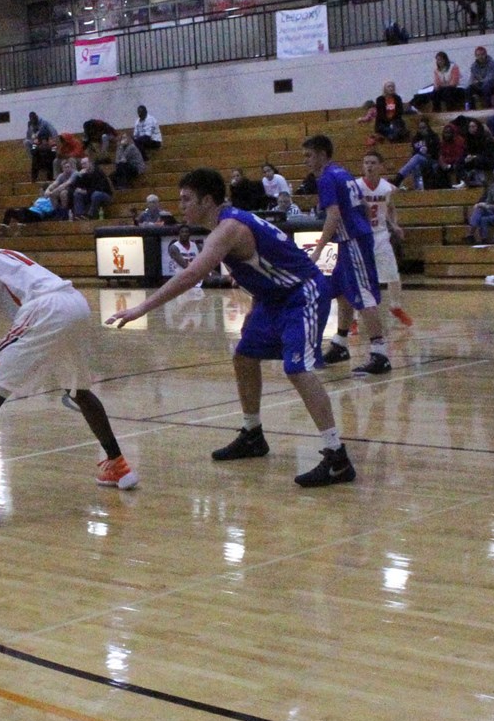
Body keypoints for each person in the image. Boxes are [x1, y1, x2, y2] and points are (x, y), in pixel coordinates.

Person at [106, 169, 357, 488]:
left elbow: (189, 276)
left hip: (302, 294)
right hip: (273, 298)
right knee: (244, 356)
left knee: (297, 369)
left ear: (207, 201)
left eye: (186, 200)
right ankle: (253, 434)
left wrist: (141, 307)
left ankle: (337, 457)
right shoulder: (228, 223)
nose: (181, 207)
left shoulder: (228, 229)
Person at [0, 248, 131, 527]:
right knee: (79, 391)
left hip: (46, 310)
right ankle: (118, 466)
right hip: (75, 304)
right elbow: (33, 323)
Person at [305, 135, 391, 376]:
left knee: (363, 295)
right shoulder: (343, 173)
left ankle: (380, 353)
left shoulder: (326, 178)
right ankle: (341, 344)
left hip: (352, 240)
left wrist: (319, 248)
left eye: (309, 155)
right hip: (354, 238)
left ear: (322, 155)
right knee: (343, 290)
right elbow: (363, 204)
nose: (306, 161)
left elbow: (333, 215)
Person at [357, 151, 411, 326]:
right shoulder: (356, 186)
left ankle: (395, 307)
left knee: (393, 274)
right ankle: (353, 319)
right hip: (360, 237)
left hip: (380, 235)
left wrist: (394, 225)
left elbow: (391, 208)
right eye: (366, 163)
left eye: (372, 162)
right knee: (358, 278)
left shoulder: (387, 187)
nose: (369, 166)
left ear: (380, 166)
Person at [396, 116, 440, 191]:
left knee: (417, 158)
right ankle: (418, 188)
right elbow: (414, 151)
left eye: (424, 128)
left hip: (432, 160)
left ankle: (399, 178)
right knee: (416, 164)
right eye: (420, 128)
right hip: (421, 160)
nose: (422, 130)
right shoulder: (416, 139)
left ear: (428, 128)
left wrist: (427, 137)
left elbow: (435, 152)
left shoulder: (434, 137)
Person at [25, 112, 58, 180]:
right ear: (40, 139)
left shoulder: (52, 144)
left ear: (47, 138)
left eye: (45, 139)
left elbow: (54, 154)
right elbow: (33, 152)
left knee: (52, 161)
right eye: (42, 139)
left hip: (48, 162)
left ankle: (50, 177)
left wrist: (48, 149)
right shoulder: (36, 143)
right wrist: (37, 147)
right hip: (40, 162)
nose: (44, 141)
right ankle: (34, 178)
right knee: (34, 160)